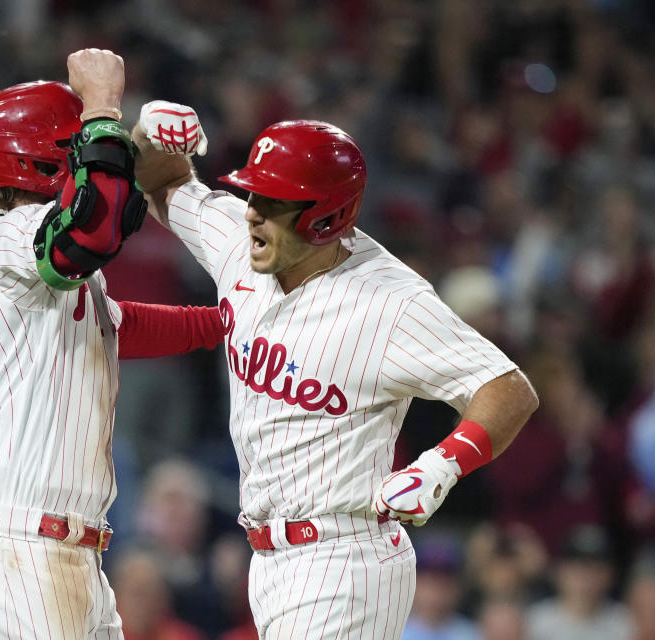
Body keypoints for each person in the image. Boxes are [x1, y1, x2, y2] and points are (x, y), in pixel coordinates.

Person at [131, 101, 539, 638]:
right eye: (253, 192)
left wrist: (443, 465)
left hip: (343, 559)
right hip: (270, 558)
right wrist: (147, 134)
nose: (251, 210)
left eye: (272, 201)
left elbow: (508, 388)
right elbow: (162, 185)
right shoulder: (243, 242)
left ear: (325, 216)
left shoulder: (391, 303)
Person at [0, 50, 225, 638]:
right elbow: (92, 226)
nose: (86, 160)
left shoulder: (32, 261)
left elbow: (114, 326)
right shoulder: (1, 239)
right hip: (21, 558)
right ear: (35, 160)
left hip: (51, 555)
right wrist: (103, 106)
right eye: (76, 148)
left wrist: (227, 320)